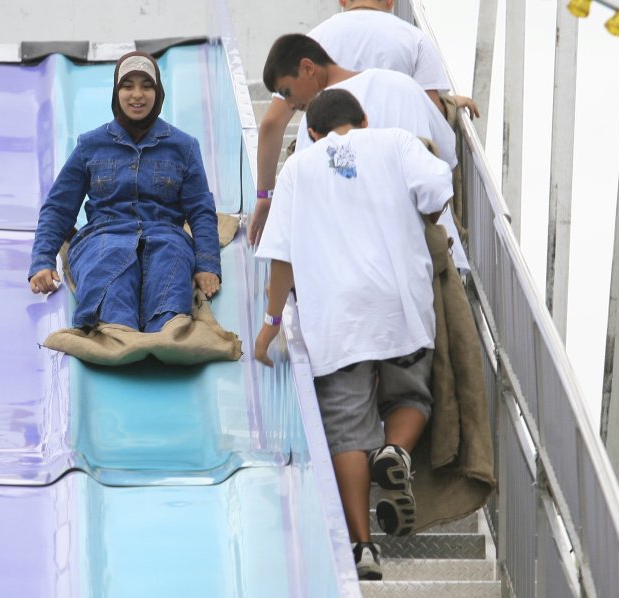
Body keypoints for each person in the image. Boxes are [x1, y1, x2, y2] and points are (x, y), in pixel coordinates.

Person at [254, 89, 453, 581]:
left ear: (313, 133)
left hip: (335, 318)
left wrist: (271, 324)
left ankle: (362, 546)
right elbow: (438, 188)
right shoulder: (396, 141)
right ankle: (398, 451)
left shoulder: (298, 168)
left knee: (346, 430)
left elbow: (281, 255)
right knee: (412, 396)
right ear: (364, 118)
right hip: (399, 303)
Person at [249, 0, 478, 246]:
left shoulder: (313, 43)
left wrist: (265, 195)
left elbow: (272, 123)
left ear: (342, 1)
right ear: (391, 2)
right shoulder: (413, 46)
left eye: (287, 94)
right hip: (409, 227)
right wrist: (448, 104)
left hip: (342, 237)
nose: (292, 103)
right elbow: (439, 142)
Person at [28, 51, 221, 334]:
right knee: (110, 285)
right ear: (116, 91)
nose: (137, 95)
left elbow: (201, 210)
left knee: (169, 291)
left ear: (158, 92)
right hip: (103, 238)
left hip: (166, 237)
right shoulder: (90, 145)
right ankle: (117, 333)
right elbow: (59, 207)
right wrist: (42, 260)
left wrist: (206, 264)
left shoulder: (184, 147)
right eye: (127, 85)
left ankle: (163, 335)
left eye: (146, 85)